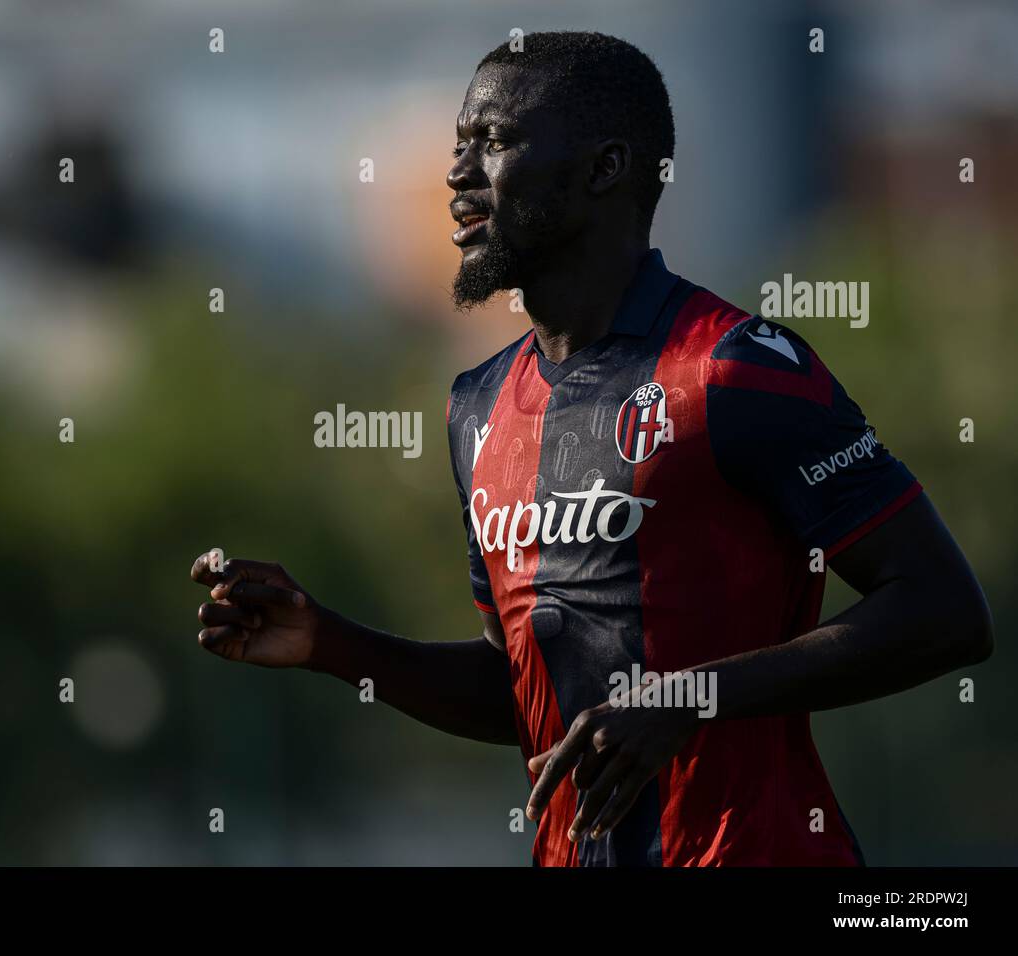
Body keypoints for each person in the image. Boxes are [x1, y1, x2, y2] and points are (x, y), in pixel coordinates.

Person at [190, 31, 992, 866]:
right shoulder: (478, 405)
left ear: (604, 168)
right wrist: (333, 644)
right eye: (459, 144)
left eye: (493, 142)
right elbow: (528, 695)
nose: (458, 174)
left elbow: (942, 612)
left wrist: (690, 698)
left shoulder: (734, 370)